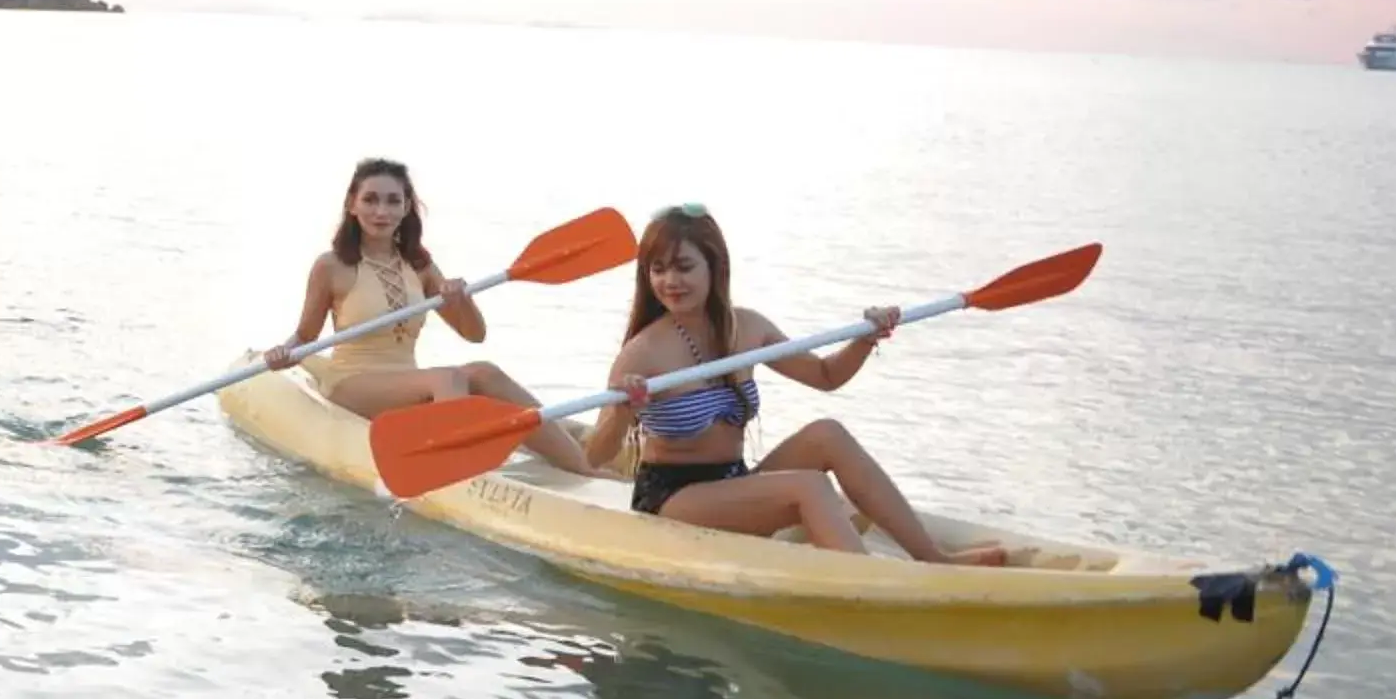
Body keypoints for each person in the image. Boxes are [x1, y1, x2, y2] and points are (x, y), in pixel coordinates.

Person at [583, 204, 1009, 564]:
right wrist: (624, 409)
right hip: (673, 497)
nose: (669, 281)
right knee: (809, 486)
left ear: (716, 267)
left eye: (683, 267)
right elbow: (595, 457)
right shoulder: (643, 352)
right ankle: (870, 584)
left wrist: (866, 338)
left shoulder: (748, 327)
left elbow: (826, 377)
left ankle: (934, 561)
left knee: (827, 434)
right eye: (657, 269)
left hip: (733, 479)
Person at [273, 157, 605, 476]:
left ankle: (582, 466)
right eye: (371, 200)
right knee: (447, 379)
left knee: (485, 372)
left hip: (406, 382)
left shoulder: (420, 267)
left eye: (393, 201)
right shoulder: (331, 266)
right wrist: (281, 354)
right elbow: (305, 336)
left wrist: (461, 301)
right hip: (352, 383)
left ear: (406, 208)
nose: (381, 211)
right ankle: (455, 467)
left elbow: (474, 334)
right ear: (352, 204)